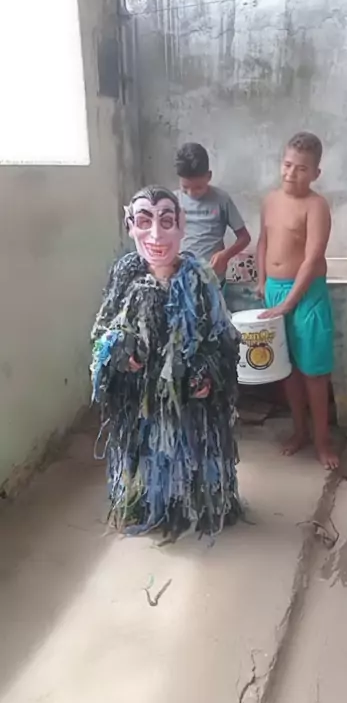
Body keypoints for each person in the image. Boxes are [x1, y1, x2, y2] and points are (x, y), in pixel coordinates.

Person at [90, 185, 242, 539]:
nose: (156, 235)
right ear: (130, 225)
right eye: (144, 221)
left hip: (191, 408)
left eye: (167, 221)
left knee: (192, 457)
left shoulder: (200, 278)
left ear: (182, 225)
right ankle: (146, 505)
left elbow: (224, 337)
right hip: (140, 405)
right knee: (146, 459)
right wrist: (118, 353)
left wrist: (209, 372)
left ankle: (194, 504)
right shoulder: (125, 276)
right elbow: (101, 333)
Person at [257, 132, 338, 470]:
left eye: (302, 168)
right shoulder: (270, 200)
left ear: (316, 173)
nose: (291, 173)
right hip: (274, 291)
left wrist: (288, 304)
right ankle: (300, 431)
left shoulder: (316, 206)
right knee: (287, 369)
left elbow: (312, 258)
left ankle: (322, 441)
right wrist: (262, 282)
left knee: (314, 373)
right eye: (288, 165)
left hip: (306, 296)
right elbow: (263, 242)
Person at [175, 142, 251, 284]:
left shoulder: (221, 199)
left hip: (213, 278)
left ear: (209, 176)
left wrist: (225, 255)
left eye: (198, 187)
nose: (191, 193)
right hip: (181, 277)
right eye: (185, 187)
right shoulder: (173, 201)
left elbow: (244, 238)